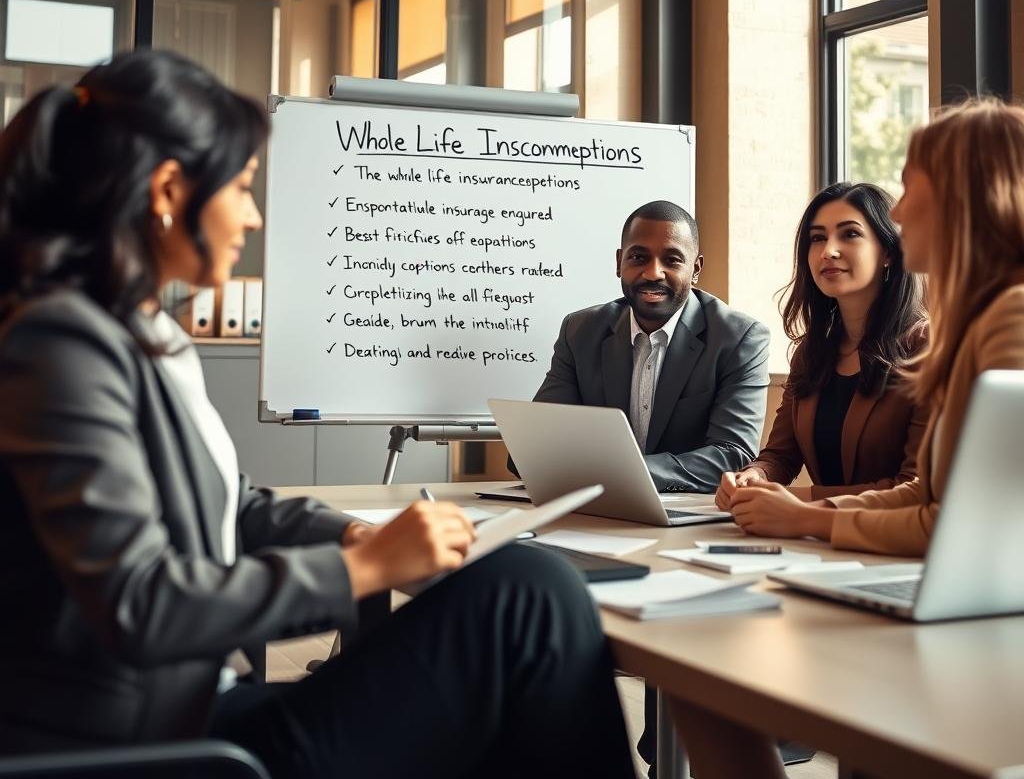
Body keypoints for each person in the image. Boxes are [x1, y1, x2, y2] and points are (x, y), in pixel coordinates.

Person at [0, 50, 635, 778]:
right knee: (531, 597)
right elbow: (140, 603)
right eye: (240, 187)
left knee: (524, 595)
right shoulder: (60, 344)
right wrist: (364, 566)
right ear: (168, 190)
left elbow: (231, 508)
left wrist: (363, 534)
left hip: (198, 714)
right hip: (144, 751)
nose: (253, 214)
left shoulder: (135, 335)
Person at [674, 97, 1024, 778]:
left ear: (960, 196)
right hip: (933, 584)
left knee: (714, 664)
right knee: (701, 672)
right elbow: (930, 493)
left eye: (909, 183)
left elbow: (956, 520)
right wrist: (781, 500)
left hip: (973, 612)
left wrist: (807, 518)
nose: (898, 209)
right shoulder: (973, 321)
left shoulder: (1008, 319)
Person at [517, 200, 771, 493]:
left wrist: (618, 472)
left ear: (696, 268)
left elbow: (732, 454)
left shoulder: (739, 338)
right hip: (591, 507)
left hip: (685, 513)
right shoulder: (580, 331)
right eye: (638, 257)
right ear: (619, 262)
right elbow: (537, 443)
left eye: (672, 260)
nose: (653, 273)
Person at [715, 182, 927, 513]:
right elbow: (780, 456)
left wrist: (797, 504)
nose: (829, 250)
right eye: (817, 238)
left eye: (850, 234)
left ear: (887, 252)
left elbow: (914, 486)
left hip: (891, 546)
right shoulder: (812, 351)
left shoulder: (925, 346)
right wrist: (752, 477)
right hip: (814, 545)